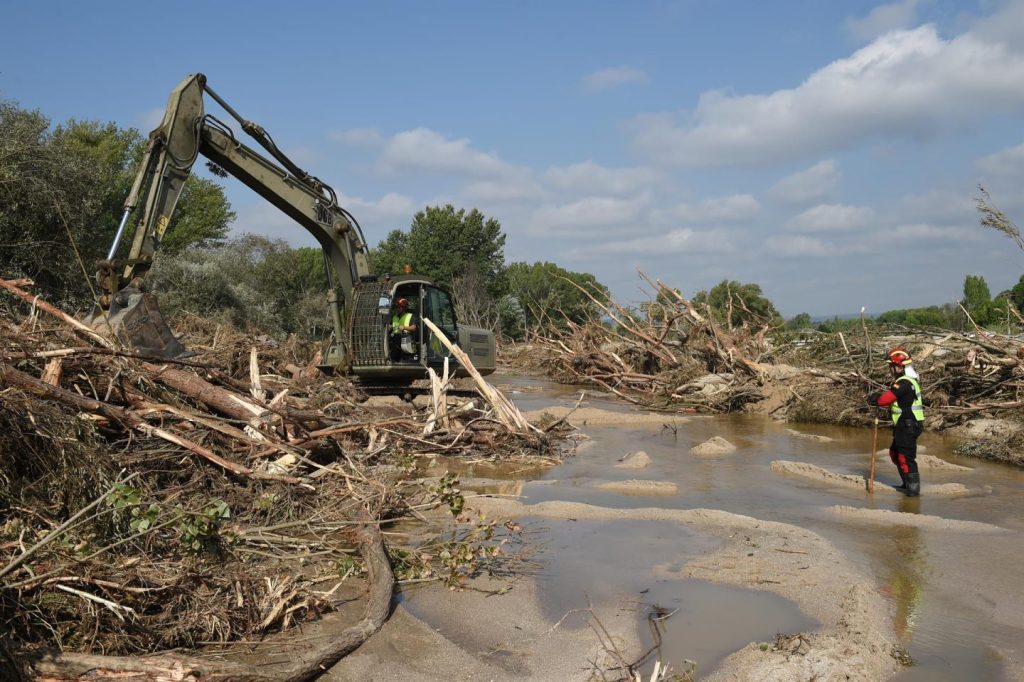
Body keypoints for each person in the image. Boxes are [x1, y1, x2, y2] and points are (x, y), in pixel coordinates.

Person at [869, 348, 925, 496]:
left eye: (891, 366)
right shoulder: (906, 380)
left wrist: (875, 399)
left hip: (908, 425)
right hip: (905, 425)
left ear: (899, 367)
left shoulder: (904, 383)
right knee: (895, 453)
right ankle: (906, 484)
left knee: (905, 458)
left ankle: (913, 493)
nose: (890, 369)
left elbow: (884, 400)